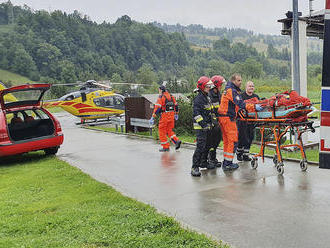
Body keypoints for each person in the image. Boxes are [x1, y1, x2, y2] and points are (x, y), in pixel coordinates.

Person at [218, 74, 262, 171]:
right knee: (233, 141)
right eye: (238, 80)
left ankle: (226, 162)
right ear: (233, 81)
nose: (240, 82)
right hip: (228, 118)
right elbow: (240, 104)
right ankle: (227, 163)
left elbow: (235, 105)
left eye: (241, 80)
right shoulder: (232, 91)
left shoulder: (228, 90)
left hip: (224, 118)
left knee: (227, 141)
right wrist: (254, 107)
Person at [191, 76, 216, 177]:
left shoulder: (207, 96)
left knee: (208, 145)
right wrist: (204, 125)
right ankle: (194, 167)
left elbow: (210, 111)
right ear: (201, 87)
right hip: (200, 127)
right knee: (200, 147)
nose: (209, 88)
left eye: (209, 86)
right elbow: (196, 114)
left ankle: (203, 162)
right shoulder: (198, 99)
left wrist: (213, 122)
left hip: (208, 126)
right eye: (207, 86)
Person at [149, 85, 181, 152]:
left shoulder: (161, 97)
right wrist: (176, 114)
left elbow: (157, 108)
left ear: (161, 90)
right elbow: (176, 106)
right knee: (169, 130)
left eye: (159, 90)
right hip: (171, 116)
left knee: (162, 131)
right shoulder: (171, 96)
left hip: (164, 116)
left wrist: (153, 116)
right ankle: (176, 141)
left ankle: (165, 147)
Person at [237, 81, 260, 161]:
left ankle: (246, 155)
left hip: (252, 120)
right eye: (249, 86)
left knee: (250, 137)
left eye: (252, 86)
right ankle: (239, 153)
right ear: (246, 87)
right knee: (242, 137)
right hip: (242, 120)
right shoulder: (241, 96)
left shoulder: (256, 96)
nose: (251, 87)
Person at [207, 75, 226, 168]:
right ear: (216, 85)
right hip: (212, 122)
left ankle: (213, 159)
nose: (221, 86)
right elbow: (210, 110)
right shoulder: (210, 95)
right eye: (220, 84)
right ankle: (209, 159)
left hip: (218, 121)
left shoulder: (218, 94)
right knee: (211, 141)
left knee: (217, 141)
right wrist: (214, 121)